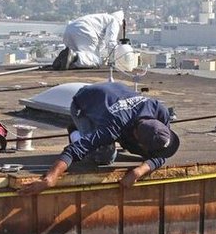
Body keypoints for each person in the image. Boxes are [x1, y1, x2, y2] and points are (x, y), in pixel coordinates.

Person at [20, 81, 180, 195]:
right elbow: (74, 151)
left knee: (144, 153)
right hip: (84, 103)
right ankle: (76, 132)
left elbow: (160, 154)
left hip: (114, 92)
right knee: (104, 155)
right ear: (138, 138)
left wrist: (139, 171)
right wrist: (50, 178)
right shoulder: (113, 125)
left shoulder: (161, 112)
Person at [52, 11, 125, 70]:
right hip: (83, 30)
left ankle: (61, 61)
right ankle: (75, 56)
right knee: (96, 61)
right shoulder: (114, 21)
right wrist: (114, 62)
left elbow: (101, 44)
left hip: (69, 30)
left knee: (71, 59)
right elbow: (111, 42)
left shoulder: (101, 18)